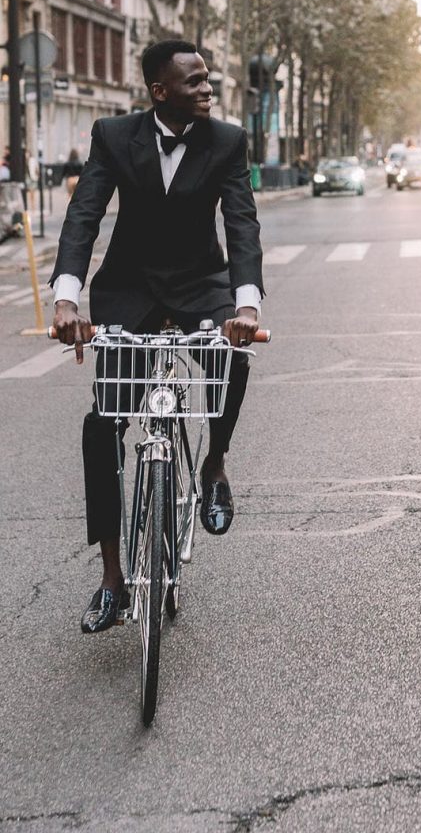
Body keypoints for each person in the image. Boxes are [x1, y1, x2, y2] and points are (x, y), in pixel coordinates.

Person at [50, 39, 264, 633]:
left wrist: (245, 305)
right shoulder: (114, 136)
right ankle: (112, 580)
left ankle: (214, 466)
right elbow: (83, 216)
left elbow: (241, 223)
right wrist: (67, 296)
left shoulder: (225, 141)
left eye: (207, 79)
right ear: (159, 91)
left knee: (232, 362)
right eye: (193, 81)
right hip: (129, 289)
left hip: (201, 285)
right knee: (103, 425)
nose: (207, 87)